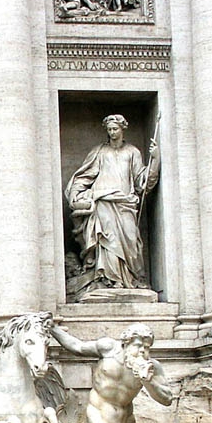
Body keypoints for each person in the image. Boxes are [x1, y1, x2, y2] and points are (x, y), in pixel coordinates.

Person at [65, 114, 159, 294]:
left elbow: (143, 182)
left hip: (125, 203)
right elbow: (84, 176)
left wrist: (155, 159)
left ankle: (130, 279)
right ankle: (108, 279)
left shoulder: (132, 152)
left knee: (131, 241)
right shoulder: (100, 152)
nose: (112, 132)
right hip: (103, 202)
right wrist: (76, 193)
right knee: (107, 241)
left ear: (123, 129)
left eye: (115, 129)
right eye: (109, 130)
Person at [50, 322, 172, 423]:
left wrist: (148, 382)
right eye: (137, 345)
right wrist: (53, 328)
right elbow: (77, 347)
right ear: (126, 343)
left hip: (126, 422)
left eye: (147, 347)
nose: (142, 350)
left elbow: (167, 399)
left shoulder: (152, 367)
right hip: (99, 415)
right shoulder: (108, 349)